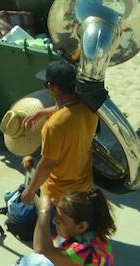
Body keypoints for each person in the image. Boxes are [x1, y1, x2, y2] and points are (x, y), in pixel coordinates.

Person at [19, 61, 99, 207]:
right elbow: (67, 109)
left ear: (52, 87)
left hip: (59, 196)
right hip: (84, 186)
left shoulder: (54, 125)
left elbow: (47, 164)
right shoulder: (89, 106)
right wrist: (42, 113)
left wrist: (30, 191)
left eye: (46, 86)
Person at [20, 188, 116, 266]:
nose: (54, 221)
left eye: (61, 219)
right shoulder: (95, 235)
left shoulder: (86, 251)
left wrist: (43, 211)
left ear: (81, 226)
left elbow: (42, 249)